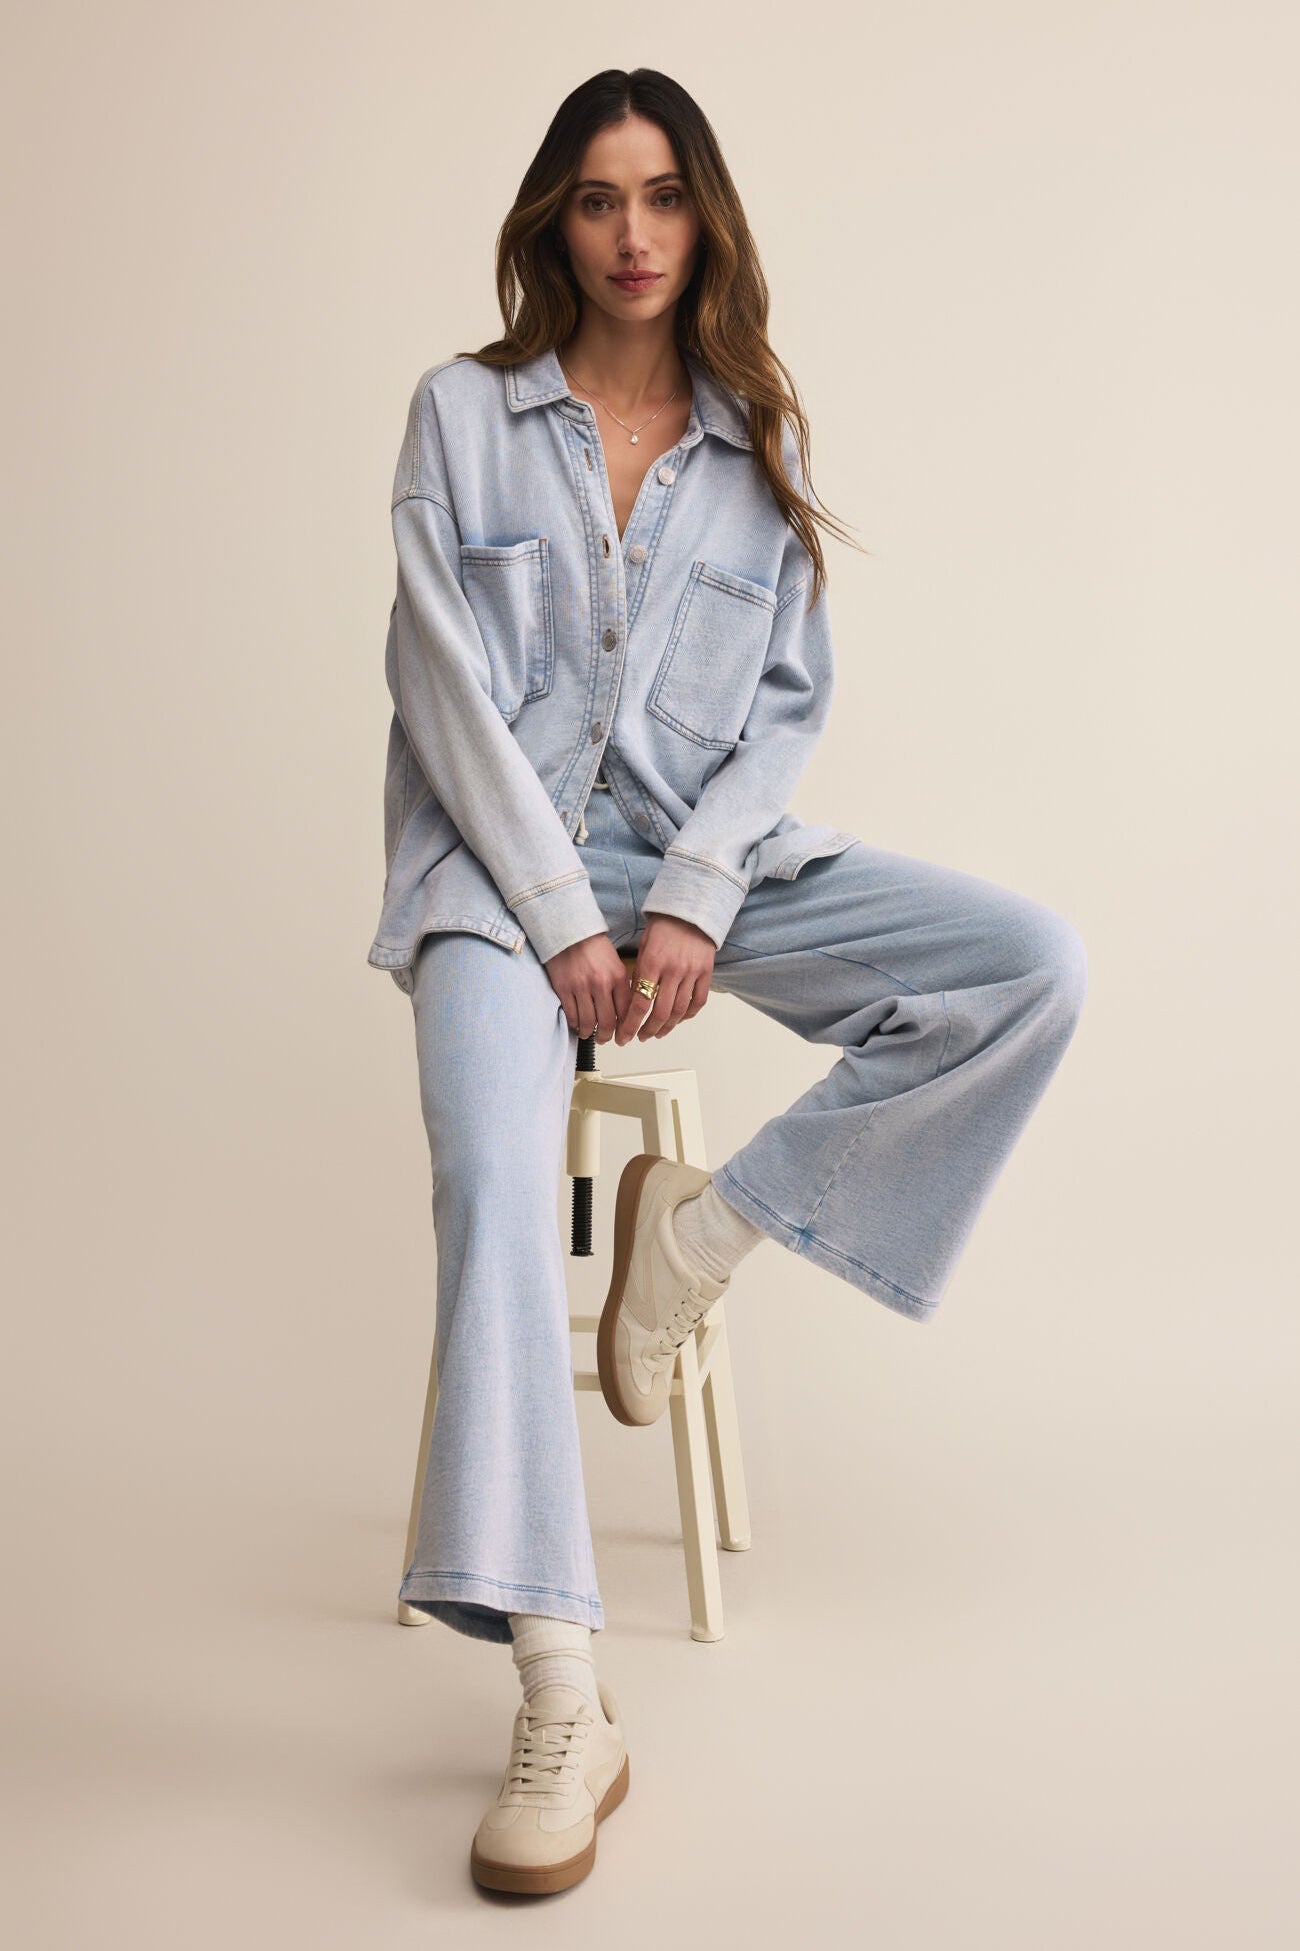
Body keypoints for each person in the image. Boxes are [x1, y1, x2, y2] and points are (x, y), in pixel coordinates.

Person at [367, 69, 1088, 1896]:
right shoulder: (461, 418)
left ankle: (700, 1242)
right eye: (599, 199)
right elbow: (444, 690)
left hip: (702, 868)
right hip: (494, 879)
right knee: (487, 1183)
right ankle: (561, 1690)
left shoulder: (753, 435)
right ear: (553, 218)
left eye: (664, 198)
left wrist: (690, 899)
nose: (630, 235)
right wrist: (559, 922)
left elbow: (782, 715)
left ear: (705, 221)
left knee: (1022, 968)